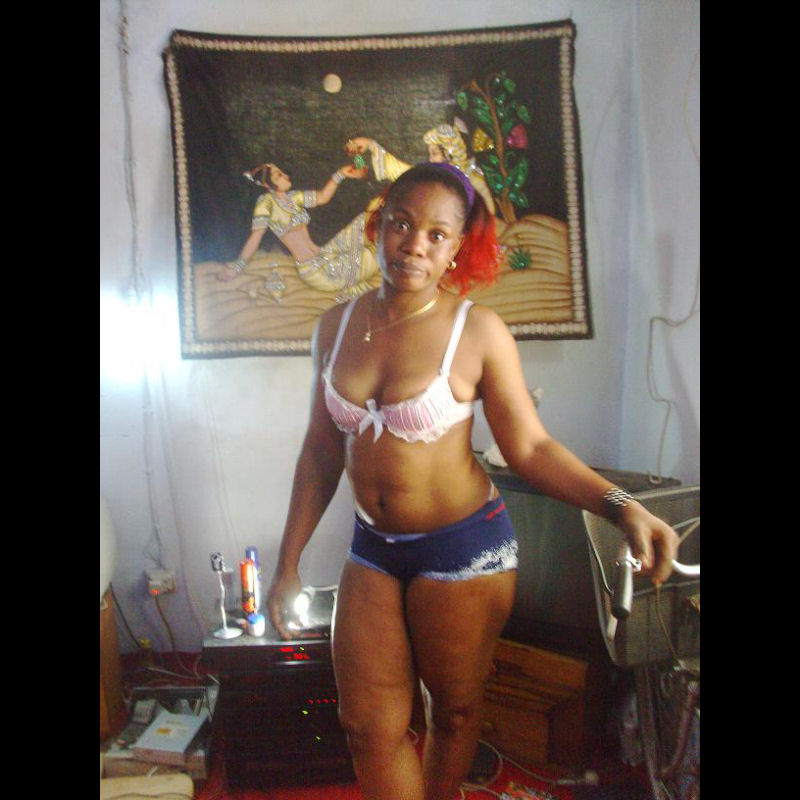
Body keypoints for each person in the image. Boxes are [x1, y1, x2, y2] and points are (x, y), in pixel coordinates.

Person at [265, 162, 680, 800]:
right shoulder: (335, 327)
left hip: (464, 548)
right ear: (378, 225)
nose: (414, 245)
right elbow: (321, 452)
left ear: (457, 247)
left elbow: (530, 448)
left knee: (454, 713)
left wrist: (622, 506)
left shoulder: (477, 331)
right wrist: (287, 562)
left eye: (437, 234)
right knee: (366, 727)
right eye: (402, 224)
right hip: (372, 549)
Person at [216, 161, 375, 300]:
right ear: (268, 185)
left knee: (365, 221)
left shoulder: (294, 197)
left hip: (325, 254)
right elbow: (255, 238)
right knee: (372, 255)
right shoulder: (266, 204)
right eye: (279, 176)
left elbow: (322, 197)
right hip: (316, 272)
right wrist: (237, 268)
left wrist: (340, 174)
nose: (286, 176)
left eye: (282, 172)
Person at [346, 122, 497, 215]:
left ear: (449, 154)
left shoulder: (472, 178)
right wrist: (370, 145)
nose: (431, 159)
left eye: (435, 154)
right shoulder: (435, 178)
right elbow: (402, 171)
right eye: (430, 154)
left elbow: (488, 216)